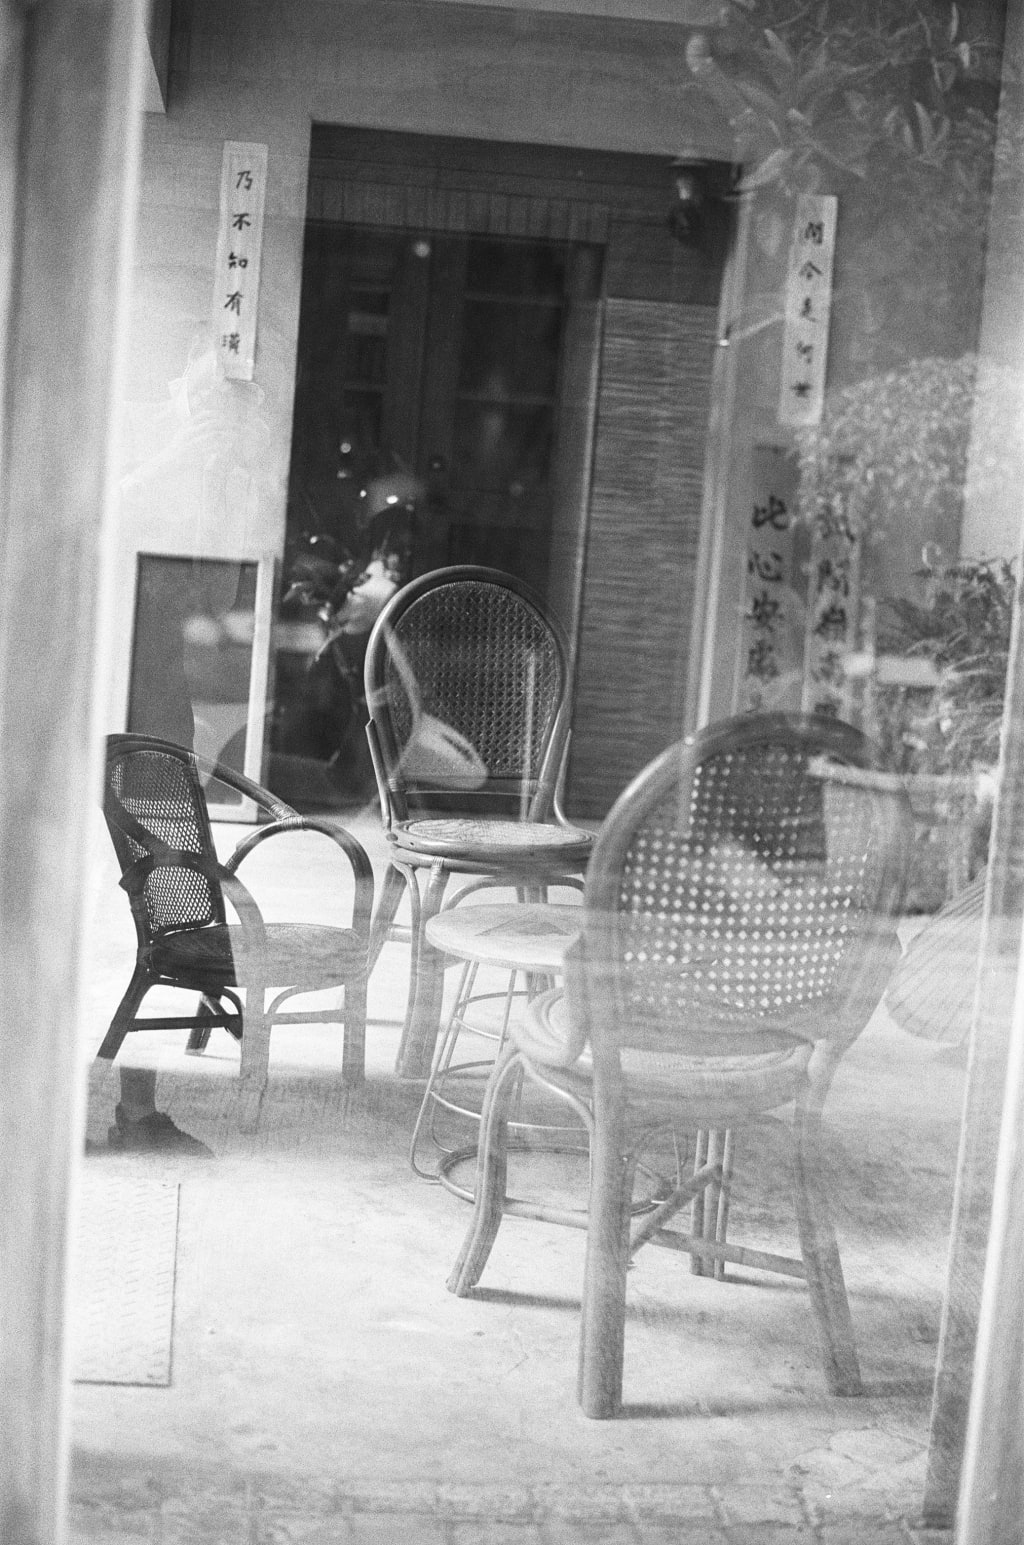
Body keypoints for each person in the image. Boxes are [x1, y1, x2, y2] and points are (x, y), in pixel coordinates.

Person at [100, 332, 266, 1155]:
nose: (213, 410)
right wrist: (177, 456)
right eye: (205, 392)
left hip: (154, 717)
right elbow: (93, 524)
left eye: (229, 403)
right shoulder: (128, 428)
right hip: (80, 700)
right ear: (178, 380)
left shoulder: (218, 475)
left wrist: (226, 485)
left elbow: (216, 598)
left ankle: (136, 1110)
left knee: (160, 901)